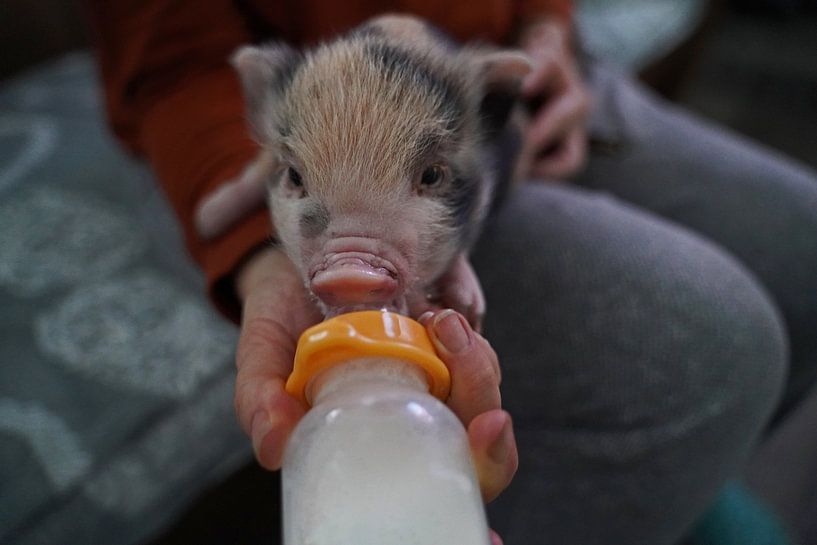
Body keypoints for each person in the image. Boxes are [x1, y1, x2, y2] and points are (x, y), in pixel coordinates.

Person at [87, 1, 817, 543]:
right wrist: (260, 248)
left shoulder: (481, 127)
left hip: (500, 88)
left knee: (800, 245)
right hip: (322, 112)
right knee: (717, 346)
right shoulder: (270, 107)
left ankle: (672, 484)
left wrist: (546, 33)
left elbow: (481, 168)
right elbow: (174, 63)